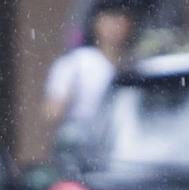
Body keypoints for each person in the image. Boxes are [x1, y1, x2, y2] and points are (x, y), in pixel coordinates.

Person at [41, 1, 135, 156]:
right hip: (83, 145)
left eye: (120, 19)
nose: (115, 26)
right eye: (108, 18)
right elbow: (51, 112)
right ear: (96, 22)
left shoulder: (135, 63)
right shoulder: (76, 63)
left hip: (122, 145)